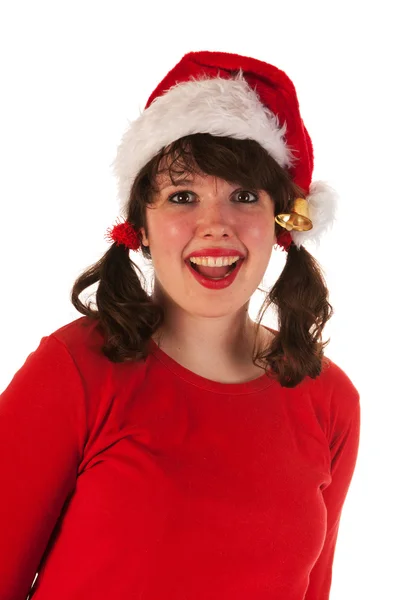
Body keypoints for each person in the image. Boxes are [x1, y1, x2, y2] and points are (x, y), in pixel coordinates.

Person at [0, 51, 360, 600]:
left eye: (244, 196)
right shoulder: (75, 370)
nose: (214, 225)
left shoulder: (329, 400)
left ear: (279, 225)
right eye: (182, 196)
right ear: (139, 227)